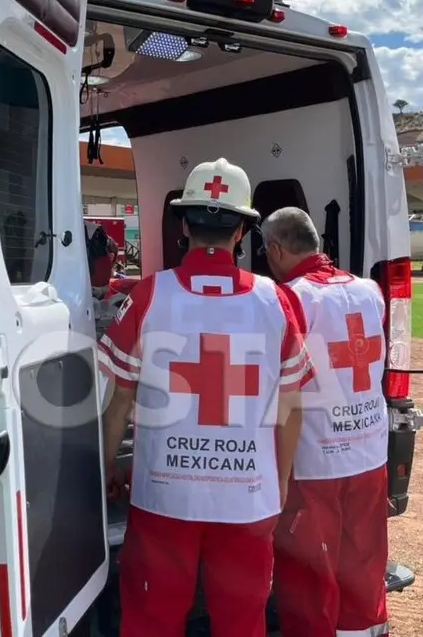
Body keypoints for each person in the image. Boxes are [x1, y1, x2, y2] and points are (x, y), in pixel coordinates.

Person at [96, 158, 314, 637]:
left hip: (163, 500)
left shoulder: (150, 295)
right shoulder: (276, 300)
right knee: (242, 623)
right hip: (247, 503)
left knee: (151, 622)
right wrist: (277, 485)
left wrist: (106, 465)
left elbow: (119, 403)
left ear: (185, 224)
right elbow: (291, 408)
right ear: (241, 232)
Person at [260, 206, 392, 637]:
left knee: (308, 579)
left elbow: (281, 384)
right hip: (370, 453)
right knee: (364, 567)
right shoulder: (370, 290)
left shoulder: (290, 297)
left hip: (315, 460)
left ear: (277, 249)